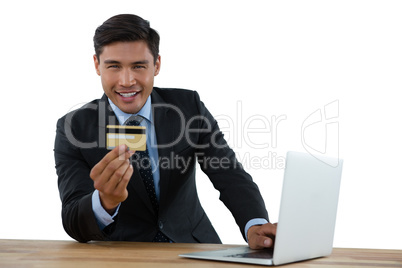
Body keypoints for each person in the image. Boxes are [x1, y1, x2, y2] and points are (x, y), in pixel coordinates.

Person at [54, 14, 276, 249]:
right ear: (97, 65)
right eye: (114, 66)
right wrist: (104, 202)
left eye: (139, 66)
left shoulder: (189, 107)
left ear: (157, 65)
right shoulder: (73, 129)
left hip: (193, 247)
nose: (127, 81)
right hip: (121, 256)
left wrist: (255, 224)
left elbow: (229, 173)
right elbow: (72, 219)